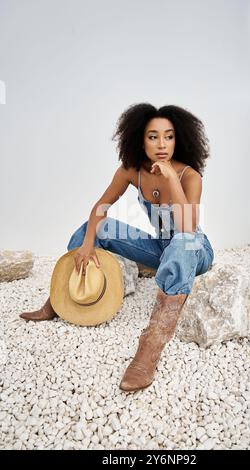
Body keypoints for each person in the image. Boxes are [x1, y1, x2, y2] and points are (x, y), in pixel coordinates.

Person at [20, 103, 214, 392]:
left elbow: (187, 229)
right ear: (139, 138)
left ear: (179, 139)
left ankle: (151, 344)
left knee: (182, 243)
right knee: (93, 227)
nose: (161, 144)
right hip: (159, 248)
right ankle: (60, 298)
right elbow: (101, 207)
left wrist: (172, 178)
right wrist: (88, 244)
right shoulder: (131, 172)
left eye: (169, 136)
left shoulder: (189, 176)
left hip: (194, 249)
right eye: (153, 136)